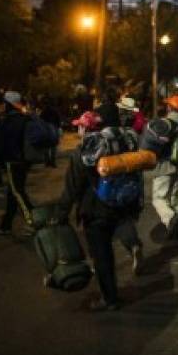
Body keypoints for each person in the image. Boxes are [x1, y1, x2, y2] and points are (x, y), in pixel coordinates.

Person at [55, 122, 143, 312]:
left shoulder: (84, 151)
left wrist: (62, 214)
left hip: (95, 211)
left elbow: (72, 186)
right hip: (122, 204)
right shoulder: (128, 144)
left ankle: (110, 298)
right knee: (120, 226)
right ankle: (133, 243)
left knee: (102, 256)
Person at [144, 102, 178, 240]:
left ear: (169, 108)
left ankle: (170, 219)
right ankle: (177, 228)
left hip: (165, 166)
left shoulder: (165, 123)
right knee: (174, 198)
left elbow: (151, 141)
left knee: (159, 198)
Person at [0, 91, 34, 236]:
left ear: (8, 105)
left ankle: (33, 221)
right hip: (24, 160)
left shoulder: (7, 122)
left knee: (17, 192)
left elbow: (0, 144)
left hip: (12, 161)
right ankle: (6, 225)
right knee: (13, 193)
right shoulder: (24, 119)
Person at [38, 95, 62, 169]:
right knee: (53, 147)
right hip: (54, 129)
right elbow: (58, 120)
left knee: (46, 147)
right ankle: (52, 162)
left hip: (46, 130)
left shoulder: (43, 111)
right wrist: (58, 128)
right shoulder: (55, 110)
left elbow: (40, 121)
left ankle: (47, 162)